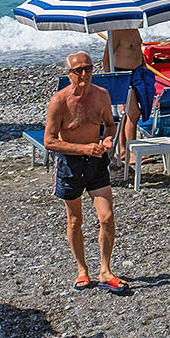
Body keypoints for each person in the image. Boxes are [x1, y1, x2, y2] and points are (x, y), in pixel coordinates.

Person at [45, 51, 130, 294]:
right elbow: (49, 141)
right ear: (69, 74)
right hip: (70, 165)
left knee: (106, 216)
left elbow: (110, 125)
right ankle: (82, 270)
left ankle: (105, 269)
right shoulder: (59, 101)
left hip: (95, 164)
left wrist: (108, 141)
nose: (84, 74)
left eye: (88, 69)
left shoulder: (101, 95)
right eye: (78, 70)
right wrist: (83, 148)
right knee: (74, 220)